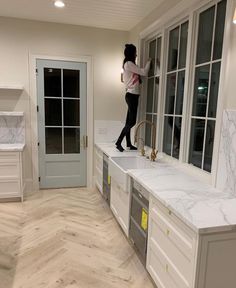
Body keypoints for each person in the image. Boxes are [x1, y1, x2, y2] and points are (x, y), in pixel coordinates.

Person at [115, 44, 151, 152]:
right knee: (132, 122)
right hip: (132, 96)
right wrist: (149, 61)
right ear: (132, 53)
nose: (136, 54)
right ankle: (118, 142)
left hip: (131, 95)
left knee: (128, 122)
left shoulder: (128, 64)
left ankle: (129, 144)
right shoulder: (129, 64)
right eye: (135, 52)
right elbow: (144, 72)